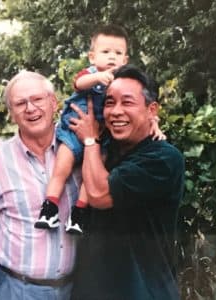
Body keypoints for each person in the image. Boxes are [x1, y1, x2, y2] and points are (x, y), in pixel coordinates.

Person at [35, 24, 165, 234]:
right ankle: (49, 208)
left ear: (125, 59)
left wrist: (155, 124)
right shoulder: (92, 73)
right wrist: (97, 78)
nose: (111, 57)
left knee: (92, 175)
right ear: (92, 56)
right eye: (105, 52)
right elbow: (78, 83)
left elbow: (145, 106)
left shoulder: (124, 82)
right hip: (72, 130)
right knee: (61, 169)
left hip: (99, 136)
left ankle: (78, 214)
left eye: (117, 53)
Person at [69, 64, 184, 300]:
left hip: (142, 292)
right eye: (110, 102)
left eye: (128, 102)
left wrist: (90, 140)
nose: (116, 111)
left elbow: (100, 195)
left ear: (152, 109)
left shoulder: (162, 159)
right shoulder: (107, 151)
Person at [0, 71, 81, 300]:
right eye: (20, 103)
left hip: (75, 288)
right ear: (12, 114)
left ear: (54, 103)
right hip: (16, 290)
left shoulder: (78, 152)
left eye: (38, 99)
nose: (30, 108)